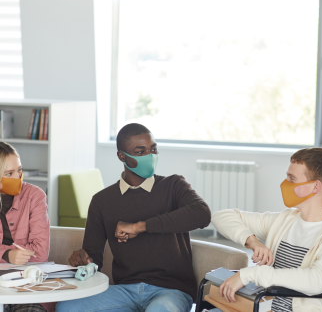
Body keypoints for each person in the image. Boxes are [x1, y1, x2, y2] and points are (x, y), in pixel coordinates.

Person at [56, 123, 211, 312]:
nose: (151, 156)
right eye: (141, 152)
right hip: (123, 291)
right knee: (67, 307)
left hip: (171, 291)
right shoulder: (102, 201)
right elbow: (94, 256)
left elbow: (202, 214)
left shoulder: (173, 185)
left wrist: (139, 226)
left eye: (153, 149)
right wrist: (84, 259)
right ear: (122, 156)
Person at [212, 147, 322, 312]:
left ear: (315, 187)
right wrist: (253, 241)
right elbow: (221, 216)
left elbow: (316, 280)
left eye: (292, 179)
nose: (284, 184)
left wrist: (250, 274)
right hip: (261, 306)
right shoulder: (284, 220)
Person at [0, 142, 50, 312]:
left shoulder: (35, 196)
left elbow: (40, 252)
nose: (18, 177)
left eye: (19, 170)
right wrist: (7, 254)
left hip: (26, 286)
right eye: (9, 173)